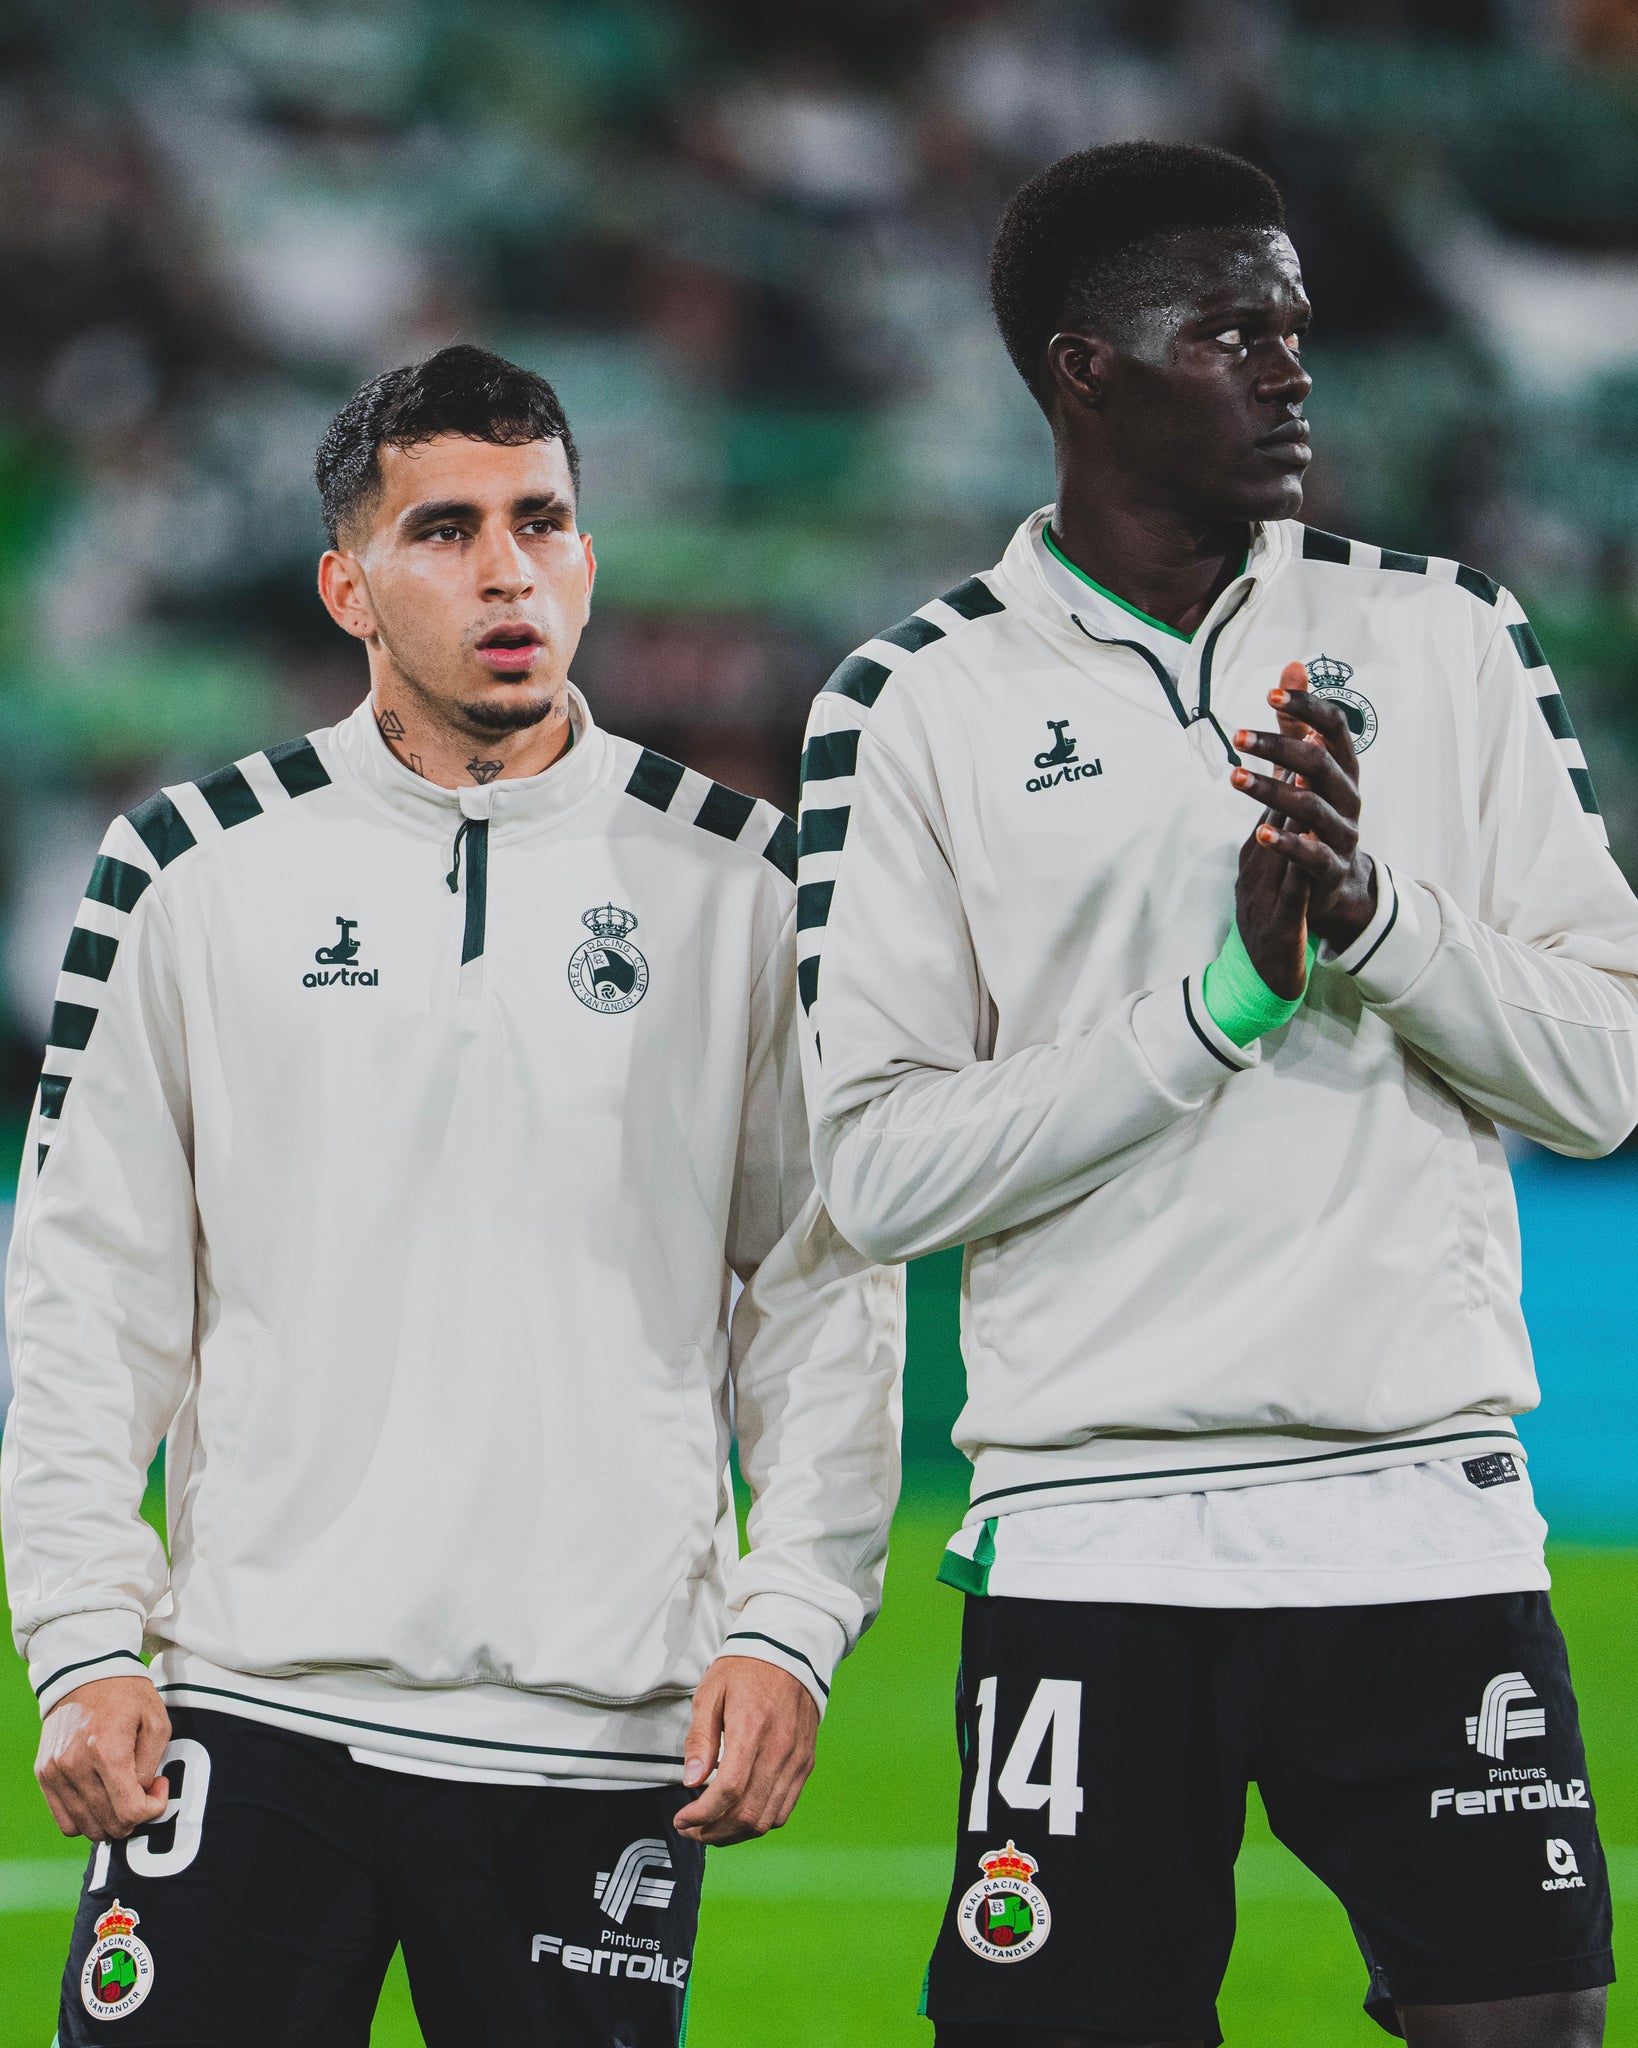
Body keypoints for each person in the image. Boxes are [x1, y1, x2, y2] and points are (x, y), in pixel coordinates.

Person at [795, 142, 1636, 2048]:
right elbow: (879, 1174)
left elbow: (1603, 1078)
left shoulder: (1448, 635)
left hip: (1418, 1512)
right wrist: (1222, 1005)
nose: (1287, 371)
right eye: (1230, 333)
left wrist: (1377, 920)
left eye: (1295, 330)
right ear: (1082, 369)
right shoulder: (913, 701)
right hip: (1094, 1533)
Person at [3, 342, 901, 2047]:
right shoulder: (188, 869)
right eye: (445, 530)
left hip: (600, 1731)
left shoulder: (743, 883)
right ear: (347, 585)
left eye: (541, 522)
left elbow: (821, 1292)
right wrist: (85, 1641)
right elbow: (84, 1295)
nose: (507, 571)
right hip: (247, 1708)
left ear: (588, 558)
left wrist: (788, 1626)